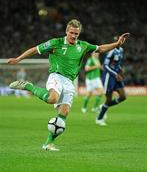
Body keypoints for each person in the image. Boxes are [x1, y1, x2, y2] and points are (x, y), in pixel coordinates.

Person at [7, 19, 129, 151]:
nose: (73, 36)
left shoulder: (83, 45)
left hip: (69, 82)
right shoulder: (56, 43)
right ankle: (28, 86)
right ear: (66, 31)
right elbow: (35, 50)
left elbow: (100, 48)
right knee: (52, 98)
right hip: (56, 76)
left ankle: (48, 143)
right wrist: (18, 59)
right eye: (71, 32)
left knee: (63, 114)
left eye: (76, 33)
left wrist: (117, 44)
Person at [96, 36, 127, 126]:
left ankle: (103, 107)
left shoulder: (121, 50)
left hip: (116, 76)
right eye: (118, 41)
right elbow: (105, 66)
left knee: (123, 97)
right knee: (108, 99)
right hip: (109, 77)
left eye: (121, 41)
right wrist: (115, 74)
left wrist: (120, 69)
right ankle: (99, 119)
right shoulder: (111, 51)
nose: (120, 42)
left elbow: (116, 63)